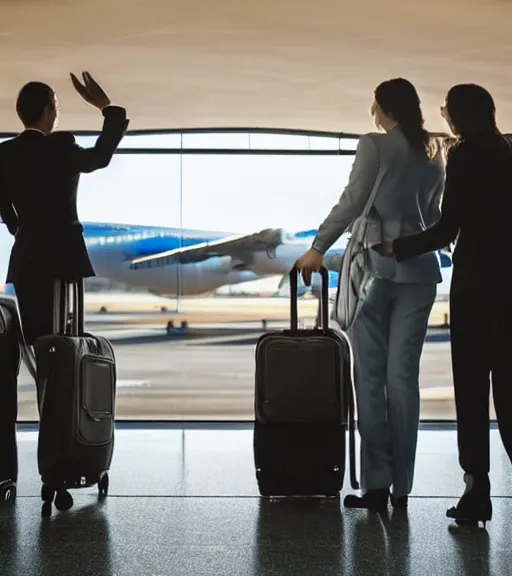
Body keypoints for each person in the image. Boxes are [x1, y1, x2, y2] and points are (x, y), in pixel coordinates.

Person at [296, 78, 444, 510]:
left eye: (374, 108)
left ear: (385, 109)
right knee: (404, 381)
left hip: (373, 269)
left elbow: (352, 201)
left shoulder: (374, 146)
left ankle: (376, 485)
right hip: (419, 272)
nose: (372, 115)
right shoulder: (435, 151)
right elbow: (434, 214)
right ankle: (402, 487)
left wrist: (318, 247)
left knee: (371, 378)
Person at [373, 84, 512, 526]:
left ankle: (477, 490)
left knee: (472, 390)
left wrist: (396, 246)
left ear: (460, 115)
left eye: (447, 110)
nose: (445, 117)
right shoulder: (509, 151)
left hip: (475, 287)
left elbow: (446, 229)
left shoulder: (465, 155)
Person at [0, 72, 129, 498]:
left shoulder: (5, 154)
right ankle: (64, 454)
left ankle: (53, 456)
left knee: (41, 357)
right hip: (63, 262)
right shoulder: (60, 146)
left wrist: (25, 231)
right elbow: (101, 158)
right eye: (55, 104)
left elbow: (4, 209)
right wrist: (108, 110)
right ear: (48, 111)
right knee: (67, 353)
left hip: (28, 261)